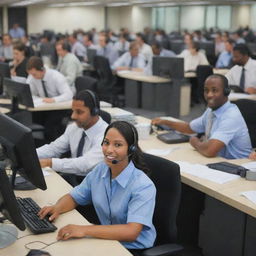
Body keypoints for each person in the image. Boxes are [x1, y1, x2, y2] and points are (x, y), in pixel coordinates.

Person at [38, 121, 156, 254]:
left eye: (117, 145)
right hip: (106, 239)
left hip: (132, 248)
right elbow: (75, 196)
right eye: (106, 142)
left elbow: (131, 232)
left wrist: (84, 230)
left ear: (131, 149)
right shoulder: (101, 170)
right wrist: (57, 207)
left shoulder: (143, 186)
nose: (109, 150)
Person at [152, 74, 252, 159]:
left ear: (226, 92)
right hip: (219, 162)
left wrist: (194, 142)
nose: (209, 95)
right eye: (206, 90)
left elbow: (209, 150)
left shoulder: (231, 116)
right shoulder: (211, 110)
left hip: (238, 167)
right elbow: (189, 128)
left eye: (214, 90)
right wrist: (165, 122)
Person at [37, 90, 108, 185]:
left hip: (95, 184)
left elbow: (85, 164)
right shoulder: (74, 127)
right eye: (73, 111)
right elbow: (54, 148)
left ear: (94, 112)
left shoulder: (106, 135)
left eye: (79, 112)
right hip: (74, 178)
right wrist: (30, 155)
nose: (73, 116)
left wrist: (50, 163)